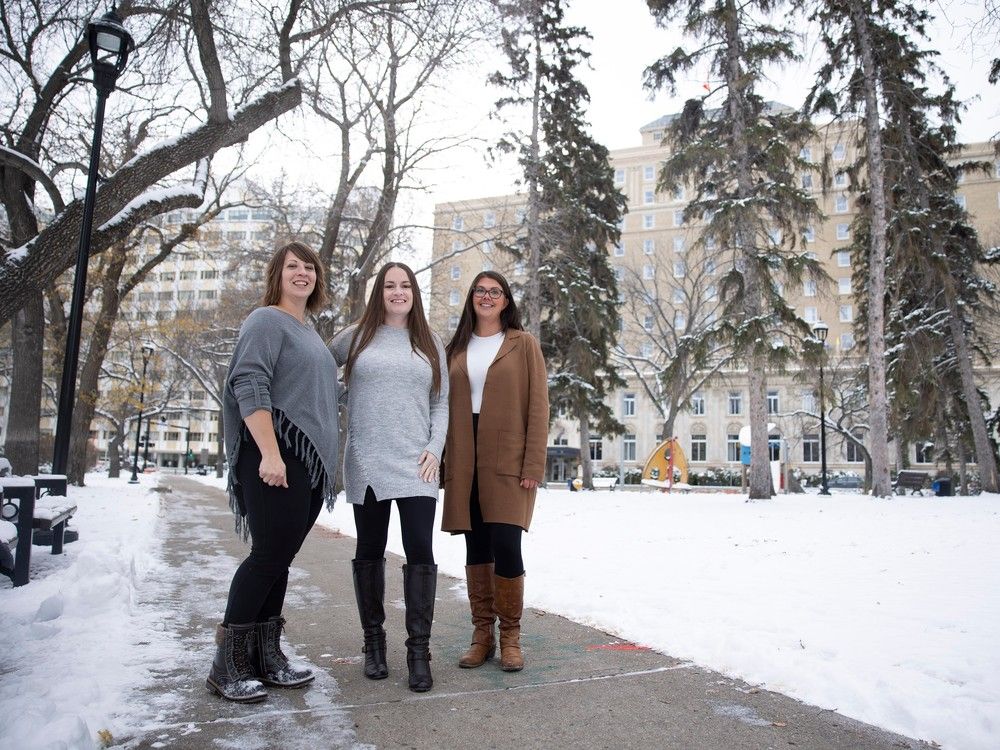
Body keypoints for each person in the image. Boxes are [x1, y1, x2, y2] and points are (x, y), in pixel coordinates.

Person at [209, 241, 340, 703]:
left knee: (279, 557)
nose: (302, 273)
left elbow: (318, 386)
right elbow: (249, 380)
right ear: (277, 275)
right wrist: (269, 451)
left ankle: (266, 658)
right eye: (292, 266)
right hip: (273, 451)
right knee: (268, 555)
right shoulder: (266, 319)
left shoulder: (310, 332)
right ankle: (228, 665)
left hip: (301, 460)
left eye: (309, 267)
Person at [330, 262, 448, 693]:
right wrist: (343, 393)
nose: (398, 292)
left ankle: (419, 651)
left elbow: (442, 403)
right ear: (379, 292)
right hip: (368, 459)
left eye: (405, 286)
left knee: (420, 550)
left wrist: (435, 449)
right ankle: (374, 645)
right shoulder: (355, 336)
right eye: (389, 286)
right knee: (370, 549)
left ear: (414, 292)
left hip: (417, 463)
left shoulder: (429, 341)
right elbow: (319, 372)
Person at [442, 271, 548, 672]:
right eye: (480, 291)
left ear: (506, 301)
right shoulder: (455, 347)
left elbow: (538, 407)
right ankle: (482, 635)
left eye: (495, 292)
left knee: (507, 543)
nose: (487, 297)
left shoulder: (524, 345)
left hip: (508, 456)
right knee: (476, 546)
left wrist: (533, 464)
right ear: (471, 298)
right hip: (464, 454)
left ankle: (511, 638)